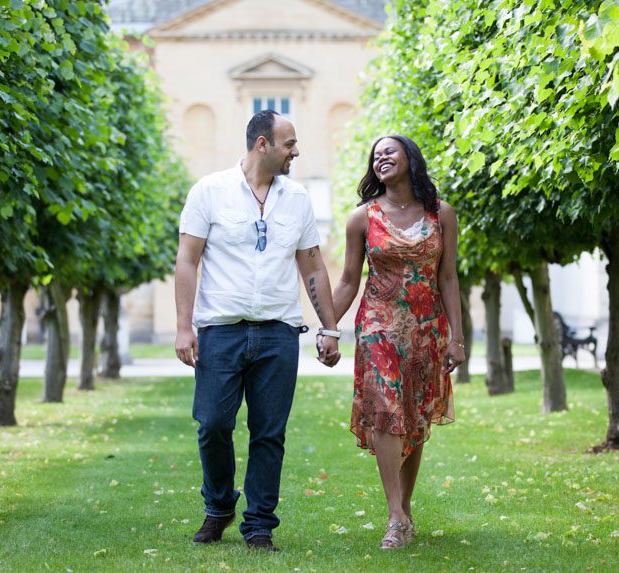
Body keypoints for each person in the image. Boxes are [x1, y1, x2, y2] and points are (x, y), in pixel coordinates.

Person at [174, 110, 341, 553]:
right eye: (289, 143)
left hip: (278, 333)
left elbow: (312, 264)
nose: (297, 151)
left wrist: (330, 327)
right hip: (220, 331)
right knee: (212, 424)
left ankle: (259, 524)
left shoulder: (299, 198)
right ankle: (218, 505)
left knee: (269, 433)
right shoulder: (209, 191)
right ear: (262, 145)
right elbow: (187, 260)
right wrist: (183, 327)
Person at [331, 134, 466, 549]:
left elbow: (447, 277)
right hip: (378, 325)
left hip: (426, 328)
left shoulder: (441, 213)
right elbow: (350, 280)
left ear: (410, 157)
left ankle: (405, 509)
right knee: (387, 409)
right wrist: (327, 326)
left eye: (389, 151)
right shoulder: (362, 218)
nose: (381, 158)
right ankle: (394, 516)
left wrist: (456, 337)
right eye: (375, 155)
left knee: (414, 415)